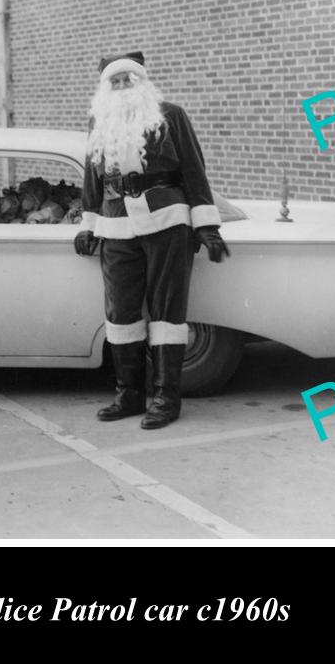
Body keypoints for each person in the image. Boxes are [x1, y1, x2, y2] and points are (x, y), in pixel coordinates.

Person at [73, 52, 231, 429]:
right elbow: (93, 180)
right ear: (105, 87)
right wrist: (88, 224)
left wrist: (206, 225)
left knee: (167, 311)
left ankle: (165, 397)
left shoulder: (170, 115)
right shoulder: (99, 120)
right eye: (116, 80)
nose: (124, 86)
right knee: (121, 311)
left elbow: (193, 170)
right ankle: (128, 394)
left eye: (129, 79)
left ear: (142, 82)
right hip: (115, 226)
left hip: (167, 221)